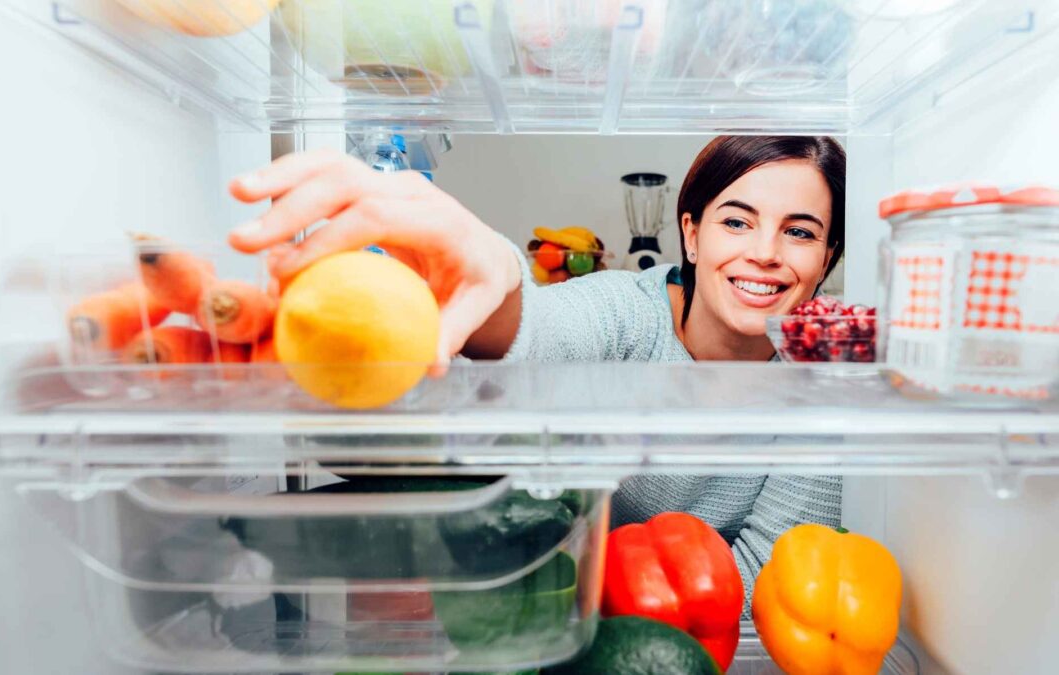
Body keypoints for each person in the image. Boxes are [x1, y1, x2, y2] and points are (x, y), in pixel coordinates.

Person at [228, 135, 846, 611]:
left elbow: (778, 577)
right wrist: (493, 276)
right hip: (552, 609)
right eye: (736, 221)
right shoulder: (628, 310)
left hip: (672, 632)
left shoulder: (820, 384)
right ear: (690, 234)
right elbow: (541, 330)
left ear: (826, 261)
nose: (764, 251)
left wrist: (592, 589)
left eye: (799, 232)